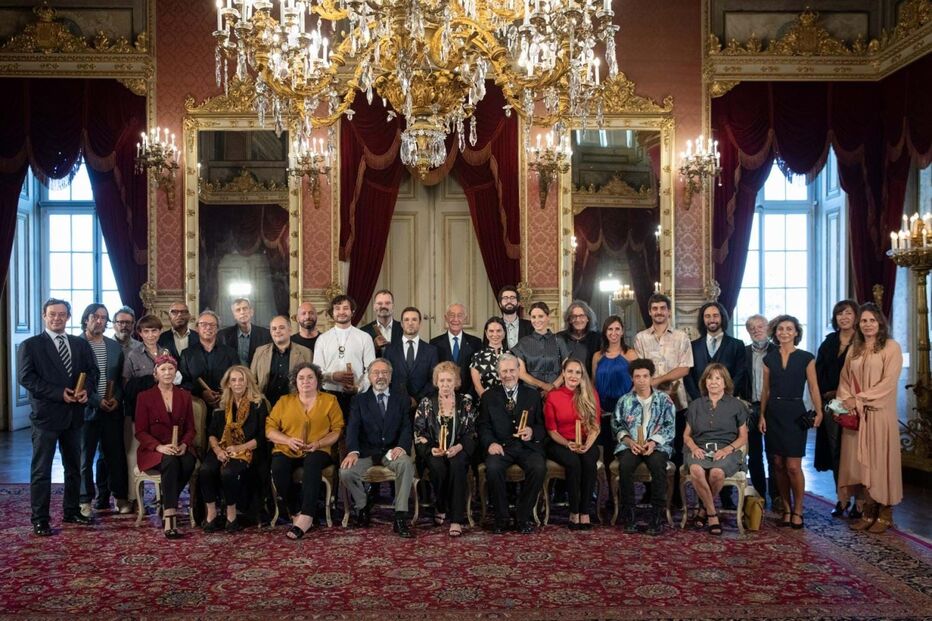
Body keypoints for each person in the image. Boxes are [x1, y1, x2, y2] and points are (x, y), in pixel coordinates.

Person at [18, 298, 99, 536]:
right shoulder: (30, 345)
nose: (57, 318)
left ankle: (71, 510)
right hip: (46, 417)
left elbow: (93, 372)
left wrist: (87, 391)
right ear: (44, 316)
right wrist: (58, 394)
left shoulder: (79, 344)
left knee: (74, 467)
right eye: (52, 314)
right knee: (41, 470)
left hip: (75, 415)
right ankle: (40, 518)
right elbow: (26, 379)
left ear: (69, 317)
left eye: (62, 314)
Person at [837, 303, 903, 534]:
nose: (867, 325)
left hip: (879, 415)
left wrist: (860, 399)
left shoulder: (891, 348)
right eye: (863, 321)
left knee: (880, 463)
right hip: (857, 417)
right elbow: (845, 380)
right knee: (861, 464)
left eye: (872, 320)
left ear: (880, 323)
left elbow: (888, 383)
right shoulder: (855, 349)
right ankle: (868, 510)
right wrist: (847, 402)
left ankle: (885, 511)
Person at [266, 362, 344, 539]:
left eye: (310, 377)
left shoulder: (330, 401)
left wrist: (318, 443)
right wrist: (287, 440)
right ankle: (295, 512)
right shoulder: (284, 401)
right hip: (288, 448)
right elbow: (269, 429)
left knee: (312, 463)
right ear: (295, 381)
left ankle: (307, 516)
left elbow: (337, 430)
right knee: (278, 468)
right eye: (301, 378)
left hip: (319, 449)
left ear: (317, 380)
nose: (306, 381)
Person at [759, 315, 822, 529]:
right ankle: (786, 508)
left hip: (795, 413)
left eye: (789, 329)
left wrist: (819, 412)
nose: (784, 332)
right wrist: (761, 415)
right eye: (780, 329)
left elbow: (813, 388)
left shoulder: (806, 358)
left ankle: (799, 509)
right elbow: (765, 390)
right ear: (775, 333)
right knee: (777, 464)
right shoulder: (768, 359)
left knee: (793, 466)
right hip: (773, 413)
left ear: (796, 333)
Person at [340, 359, 415, 538]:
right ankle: (362, 505)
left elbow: (407, 427)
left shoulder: (402, 399)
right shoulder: (359, 400)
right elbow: (353, 428)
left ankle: (400, 516)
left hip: (391, 451)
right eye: (376, 373)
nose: (380, 376)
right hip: (366, 452)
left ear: (390, 376)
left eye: (384, 373)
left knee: (405, 464)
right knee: (345, 472)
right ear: (369, 376)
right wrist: (352, 451)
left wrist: (402, 447)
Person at [684, 301, 747, 509]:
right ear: (703, 320)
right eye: (707, 316)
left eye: (715, 316)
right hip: (699, 403)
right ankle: (708, 506)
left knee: (724, 445)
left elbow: (739, 373)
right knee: (702, 446)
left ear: (722, 318)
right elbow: (689, 376)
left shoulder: (736, 345)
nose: (712, 319)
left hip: (726, 403)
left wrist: (725, 397)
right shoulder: (693, 346)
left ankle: (724, 497)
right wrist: (698, 400)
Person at [477, 353, 546, 534]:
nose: (508, 374)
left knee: (539, 467)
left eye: (512, 370)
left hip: (526, 447)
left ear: (519, 371)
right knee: (492, 468)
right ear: (498, 374)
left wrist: (532, 432)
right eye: (504, 371)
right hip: (501, 447)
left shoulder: (532, 395)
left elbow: (541, 426)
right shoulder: (488, 397)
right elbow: (483, 427)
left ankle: (523, 516)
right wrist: (490, 443)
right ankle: (502, 517)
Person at [634, 293, 692, 504]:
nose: (659, 312)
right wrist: (650, 384)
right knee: (651, 445)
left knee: (675, 448)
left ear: (668, 311)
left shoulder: (681, 337)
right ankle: (651, 491)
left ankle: (675, 493)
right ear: (650, 312)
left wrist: (658, 380)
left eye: (662, 308)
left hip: (677, 401)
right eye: (655, 308)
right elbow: (640, 369)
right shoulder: (641, 338)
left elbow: (685, 368)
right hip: (649, 402)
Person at [134, 353, 196, 539]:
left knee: (188, 462)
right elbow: (140, 431)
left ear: (176, 372)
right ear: (156, 373)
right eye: (163, 369)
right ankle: (170, 517)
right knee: (169, 461)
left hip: (179, 447)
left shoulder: (184, 396)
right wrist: (159, 447)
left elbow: (191, 429)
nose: (167, 373)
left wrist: (184, 444)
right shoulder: (144, 397)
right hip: (154, 450)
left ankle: (166, 502)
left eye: (171, 369)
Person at [683, 364, 749, 535]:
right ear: (705, 382)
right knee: (696, 469)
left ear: (725, 382)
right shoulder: (695, 405)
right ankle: (712, 514)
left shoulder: (736, 405)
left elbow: (743, 437)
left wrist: (727, 450)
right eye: (710, 378)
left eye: (718, 378)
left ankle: (703, 510)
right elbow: (686, 436)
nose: (713, 382)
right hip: (699, 448)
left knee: (716, 473)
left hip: (727, 449)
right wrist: (694, 448)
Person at [199, 365, 266, 533]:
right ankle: (212, 513)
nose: (237, 383)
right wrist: (218, 451)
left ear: (248, 382)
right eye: (233, 380)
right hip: (222, 447)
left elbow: (261, 437)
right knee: (206, 469)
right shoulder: (223, 403)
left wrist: (238, 448)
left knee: (228, 472)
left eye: (241, 379)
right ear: (227, 383)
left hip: (247, 449)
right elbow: (212, 433)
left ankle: (231, 514)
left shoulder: (258, 404)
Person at [613, 359, 675, 535]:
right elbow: (617, 425)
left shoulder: (664, 400)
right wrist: (629, 442)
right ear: (632, 378)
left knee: (657, 465)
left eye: (645, 376)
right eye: (637, 376)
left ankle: (656, 516)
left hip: (656, 445)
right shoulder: (624, 401)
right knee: (625, 466)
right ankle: (629, 515)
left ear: (651, 377)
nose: (641, 380)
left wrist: (653, 442)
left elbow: (670, 426)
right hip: (630, 445)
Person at [414, 361, 476, 536]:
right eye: (442, 381)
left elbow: (471, 432)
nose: (445, 384)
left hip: (458, 449)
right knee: (438, 466)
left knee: (457, 465)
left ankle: (456, 519)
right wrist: (431, 448)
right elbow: (419, 432)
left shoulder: (465, 402)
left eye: (449, 380)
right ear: (436, 382)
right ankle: (440, 505)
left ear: (456, 382)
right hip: (434, 450)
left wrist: (459, 447)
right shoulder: (426, 403)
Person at [78, 304, 128, 516]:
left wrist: (116, 398)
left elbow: (120, 380)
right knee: (84, 458)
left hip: (111, 410)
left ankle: (119, 496)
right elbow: (76, 381)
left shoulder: (115, 347)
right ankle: (84, 500)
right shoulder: (75, 344)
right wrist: (97, 401)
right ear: (86, 319)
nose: (100, 321)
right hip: (85, 411)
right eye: (95, 317)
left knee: (115, 455)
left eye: (104, 318)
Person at [544, 357, 601, 530]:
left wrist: (587, 446)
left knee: (588, 462)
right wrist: (568, 444)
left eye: (578, 372)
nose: (573, 376)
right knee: (574, 463)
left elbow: (595, 427)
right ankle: (574, 511)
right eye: (570, 371)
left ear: (582, 375)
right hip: (560, 442)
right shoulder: (553, 396)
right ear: (563, 373)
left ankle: (585, 511)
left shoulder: (591, 394)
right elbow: (551, 430)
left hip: (586, 441)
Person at [815, 300, 858, 518]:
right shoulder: (829, 341)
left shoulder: (862, 342)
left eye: (848, 313)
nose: (844, 317)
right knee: (835, 452)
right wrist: (826, 396)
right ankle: (842, 499)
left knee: (854, 453)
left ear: (855, 316)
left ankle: (860, 502)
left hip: (854, 404)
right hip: (831, 405)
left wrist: (843, 393)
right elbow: (817, 372)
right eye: (839, 314)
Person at [123, 314, 169, 508]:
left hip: (163, 411)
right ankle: (134, 497)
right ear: (140, 333)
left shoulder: (166, 352)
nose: (151, 335)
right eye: (146, 331)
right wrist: (150, 380)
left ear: (159, 332)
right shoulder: (133, 354)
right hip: (138, 410)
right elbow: (126, 386)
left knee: (163, 451)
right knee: (134, 452)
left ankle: (164, 496)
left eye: (154, 331)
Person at [738, 314, 779, 510]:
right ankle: (760, 496)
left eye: (760, 326)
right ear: (748, 331)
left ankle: (777, 496)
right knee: (754, 455)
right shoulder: (743, 352)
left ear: (768, 328)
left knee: (774, 454)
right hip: (750, 407)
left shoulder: (777, 351)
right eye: (752, 327)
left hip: (773, 408)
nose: (756, 330)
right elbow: (736, 379)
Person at [314, 295, 376, 416]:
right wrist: (332, 376)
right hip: (328, 394)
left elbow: (371, 369)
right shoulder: (322, 339)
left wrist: (358, 388)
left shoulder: (364, 337)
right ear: (332, 312)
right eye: (337, 308)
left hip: (357, 396)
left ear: (352, 312)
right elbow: (316, 370)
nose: (341, 312)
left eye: (345, 308)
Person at [591, 315, 638, 469]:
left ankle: (623, 489)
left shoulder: (630, 354)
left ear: (622, 331)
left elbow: (637, 381)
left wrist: (625, 404)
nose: (614, 332)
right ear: (605, 332)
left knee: (624, 451)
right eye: (610, 329)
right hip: (603, 410)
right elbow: (593, 383)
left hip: (625, 410)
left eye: (617, 329)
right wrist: (597, 406)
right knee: (607, 451)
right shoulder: (597, 356)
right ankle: (610, 493)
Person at [179, 310, 239, 409]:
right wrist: (202, 393)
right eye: (203, 324)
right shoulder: (187, 354)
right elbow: (183, 382)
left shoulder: (230, 353)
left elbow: (237, 378)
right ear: (197, 328)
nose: (208, 327)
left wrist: (223, 394)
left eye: (212, 325)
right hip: (196, 406)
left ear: (217, 329)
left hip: (226, 404)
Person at [251, 315, 312, 408]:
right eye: (274, 329)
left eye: (281, 328)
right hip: (265, 406)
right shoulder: (260, 352)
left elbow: (311, 382)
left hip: (295, 407)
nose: (277, 331)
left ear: (290, 330)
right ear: (270, 332)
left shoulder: (305, 353)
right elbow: (251, 380)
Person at [383, 307, 438, 408]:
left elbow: (434, 379)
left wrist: (417, 399)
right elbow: (386, 377)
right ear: (401, 324)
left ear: (420, 323)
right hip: (395, 404)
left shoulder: (431, 351)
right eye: (406, 320)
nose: (410, 323)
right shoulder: (390, 350)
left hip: (423, 405)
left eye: (414, 319)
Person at [512, 301, 571, 397]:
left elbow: (567, 369)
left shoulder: (559, 341)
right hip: (530, 394)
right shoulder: (523, 343)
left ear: (548, 317)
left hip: (556, 393)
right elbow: (521, 373)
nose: (537, 320)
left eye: (541, 316)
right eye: (533, 317)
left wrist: (552, 387)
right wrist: (544, 386)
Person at [430, 303, 483, 400]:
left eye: (460, 315)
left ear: (465, 318)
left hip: (469, 399)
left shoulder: (476, 343)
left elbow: (479, 373)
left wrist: (469, 396)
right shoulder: (434, 343)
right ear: (446, 318)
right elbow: (433, 374)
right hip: (442, 398)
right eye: (451, 315)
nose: (455, 319)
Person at [218, 298, 272, 367]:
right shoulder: (224, 335)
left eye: (245, 308)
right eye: (238, 310)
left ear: (251, 312)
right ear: (234, 315)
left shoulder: (265, 334)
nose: (242, 312)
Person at [556, 300, 602, 373]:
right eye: (574, 316)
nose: (578, 320)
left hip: (589, 382)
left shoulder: (598, 338)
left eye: (582, 316)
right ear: (569, 319)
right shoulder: (559, 337)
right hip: (566, 382)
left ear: (588, 318)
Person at [470, 316, 508, 398]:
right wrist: (489, 404)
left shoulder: (513, 355)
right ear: (486, 333)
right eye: (491, 331)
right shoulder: (477, 356)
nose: (495, 334)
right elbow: (477, 387)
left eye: (498, 331)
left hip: (510, 404)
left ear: (504, 333)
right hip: (486, 403)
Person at [360, 289, 403, 356]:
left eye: (387, 303)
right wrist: (373, 347)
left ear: (393, 306)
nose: (383, 306)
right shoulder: (364, 331)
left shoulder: (403, 329)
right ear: (374, 307)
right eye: (379, 303)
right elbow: (359, 357)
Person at [497, 285, 532, 350]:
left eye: (512, 298)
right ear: (500, 304)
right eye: (505, 298)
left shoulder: (530, 326)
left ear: (518, 303)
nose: (509, 301)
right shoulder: (494, 325)